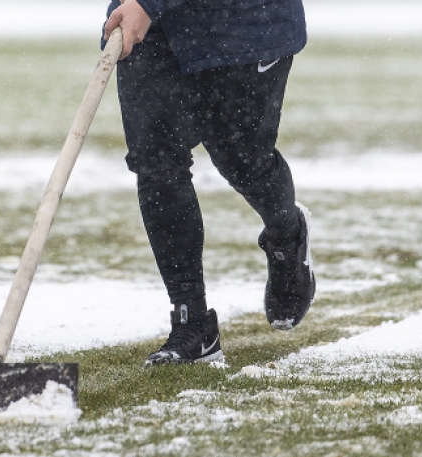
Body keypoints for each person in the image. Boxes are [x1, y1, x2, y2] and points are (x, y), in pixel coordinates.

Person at [102, 0, 315, 365]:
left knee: (243, 160)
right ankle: (193, 322)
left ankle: (287, 234)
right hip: (154, 28)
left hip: (244, 22)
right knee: (156, 163)